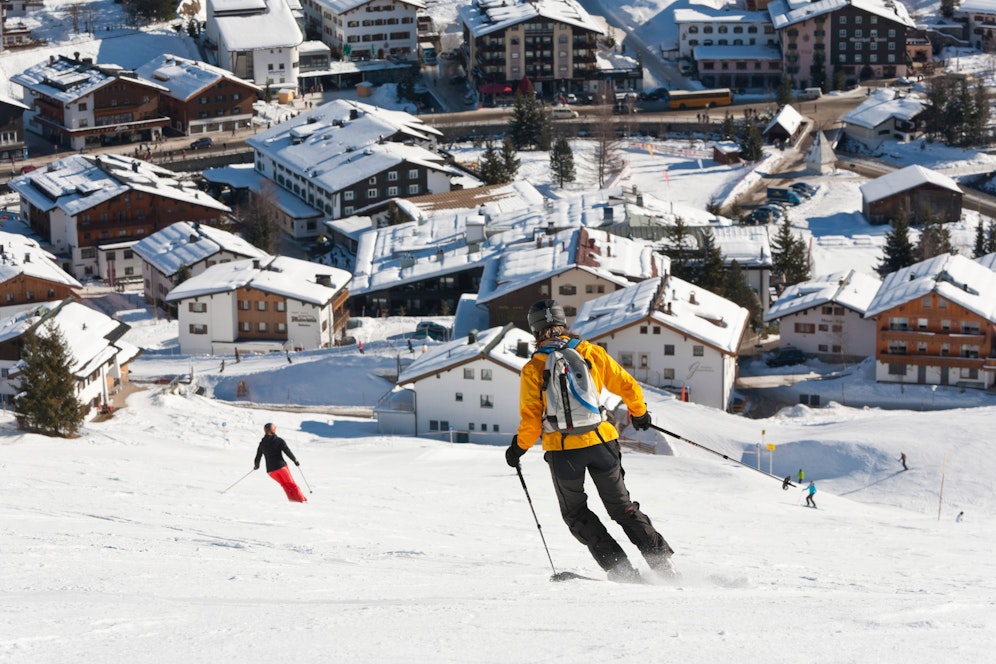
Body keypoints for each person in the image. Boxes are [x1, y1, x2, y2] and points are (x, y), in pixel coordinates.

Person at [505, 299, 675, 582]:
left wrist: (517, 449)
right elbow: (627, 385)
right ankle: (662, 565)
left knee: (576, 513)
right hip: (601, 442)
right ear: (563, 323)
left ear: (534, 330)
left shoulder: (534, 368)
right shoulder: (589, 352)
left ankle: (621, 571)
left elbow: (532, 422)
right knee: (623, 508)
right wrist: (640, 413)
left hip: (564, 453)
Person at [254, 423, 307, 502]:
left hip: (270, 471)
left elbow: (258, 457)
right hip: (281, 467)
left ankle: (293, 500)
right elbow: (287, 451)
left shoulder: (262, 443)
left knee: (284, 485)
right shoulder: (279, 441)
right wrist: (295, 460)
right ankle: (302, 500)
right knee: (291, 484)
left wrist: (256, 466)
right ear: (273, 430)